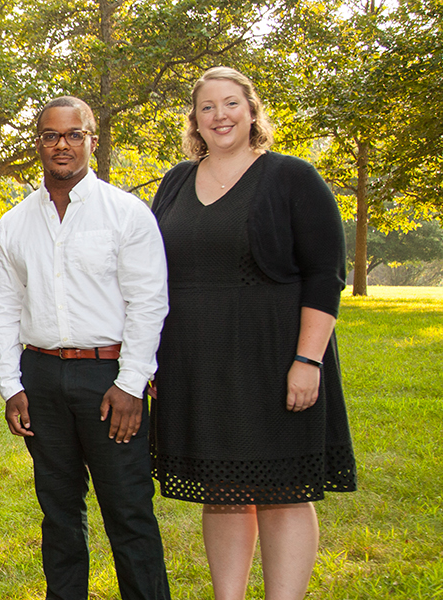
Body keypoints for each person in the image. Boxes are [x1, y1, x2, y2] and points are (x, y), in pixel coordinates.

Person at [149, 67, 355, 600]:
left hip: (274, 361)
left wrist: (307, 361)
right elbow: (149, 274)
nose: (220, 116)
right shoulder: (174, 181)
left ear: (252, 110)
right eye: (207, 107)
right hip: (197, 362)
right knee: (223, 488)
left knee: (282, 489)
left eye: (231, 104)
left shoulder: (292, 177)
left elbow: (324, 274)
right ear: (195, 118)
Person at [0, 96, 171, 600]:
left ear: (92, 139)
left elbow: (148, 303)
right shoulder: (15, 223)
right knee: (59, 513)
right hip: (41, 378)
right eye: (50, 135)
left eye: (73, 134)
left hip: (108, 380)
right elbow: (2, 308)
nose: (61, 144)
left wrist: (131, 384)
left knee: (129, 511)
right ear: (38, 144)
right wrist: (12, 386)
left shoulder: (125, 214)